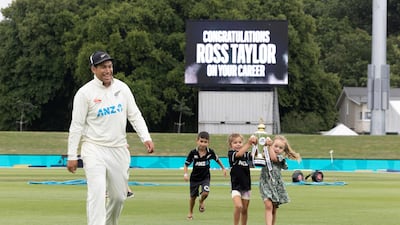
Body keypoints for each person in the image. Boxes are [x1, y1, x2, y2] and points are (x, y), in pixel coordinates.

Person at [66, 50, 154, 225]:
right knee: (97, 193)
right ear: (93, 69)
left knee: (119, 197)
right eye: (102, 67)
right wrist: (72, 155)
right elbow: (76, 126)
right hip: (93, 148)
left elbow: (134, 114)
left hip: (118, 149)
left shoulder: (122, 88)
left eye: (109, 66)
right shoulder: (85, 93)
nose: (107, 71)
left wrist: (146, 137)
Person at [183, 131, 227, 220]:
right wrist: (185, 174)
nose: (203, 144)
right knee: (193, 197)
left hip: (205, 177)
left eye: (205, 142)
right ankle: (190, 212)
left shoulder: (210, 152)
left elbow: (217, 160)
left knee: (206, 193)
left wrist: (223, 168)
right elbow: (186, 164)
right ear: (197, 141)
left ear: (208, 143)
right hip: (194, 178)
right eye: (201, 141)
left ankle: (201, 201)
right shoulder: (193, 153)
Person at [259, 135, 301, 225]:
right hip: (265, 183)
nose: (277, 149)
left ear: (283, 150)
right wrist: (265, 146)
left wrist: (270, 146)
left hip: (276, 185)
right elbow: (260, 157)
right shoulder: (266, 154)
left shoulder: (281, 158)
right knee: (268, 206)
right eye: (275, 146)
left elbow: (274, 158)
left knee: (274, 208)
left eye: (280, 148)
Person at [227, 133, 257, 225]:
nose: (238, 144)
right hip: (236, 186)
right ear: (231, 145)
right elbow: (239, 154)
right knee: (238, 206)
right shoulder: (231, 153)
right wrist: (248, 143)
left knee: (244, 210)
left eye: (240, 142)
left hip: (246, 186)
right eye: (235, 142)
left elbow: (254, 155)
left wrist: (255, 144)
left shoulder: (246, 155)